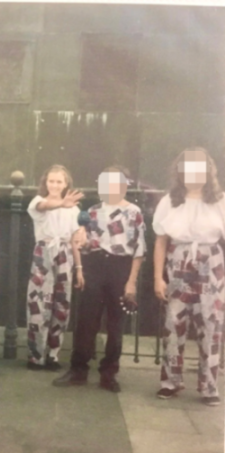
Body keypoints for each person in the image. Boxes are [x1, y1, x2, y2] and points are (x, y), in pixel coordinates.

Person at [53, 166, 146, 392]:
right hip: (95, 265)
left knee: (116, 323)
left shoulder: (134, 212)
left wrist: (131, 281)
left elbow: (139, 250)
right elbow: (82, 244)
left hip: (120, 267)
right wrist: (81, 254)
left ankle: (109, 373)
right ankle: (78, 370)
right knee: (86, 320)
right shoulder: (92, 212)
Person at [152, 147, 225, 406]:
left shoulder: (219, 201)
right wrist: (158, 278)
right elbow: (161, 241)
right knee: (173, 326)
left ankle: (209, 386)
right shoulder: (169, 201)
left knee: (211, 326)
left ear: (208, 171)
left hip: (211, 266)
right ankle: (171, 381)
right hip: (178, 263)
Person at [26, 165, 83, 371]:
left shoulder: (74, 210)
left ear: (65, 184)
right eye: (51, 181)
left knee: (61, 305)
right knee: (39, 303)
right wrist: (61, 203)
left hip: (65, 255)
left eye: (59, 182)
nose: (55, 185)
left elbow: (75, 240)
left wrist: (78, 267)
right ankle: (36, 355)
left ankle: (53, 354)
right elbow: (43, 207)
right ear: (45, 182)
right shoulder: (39, 201)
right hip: (44, 253)